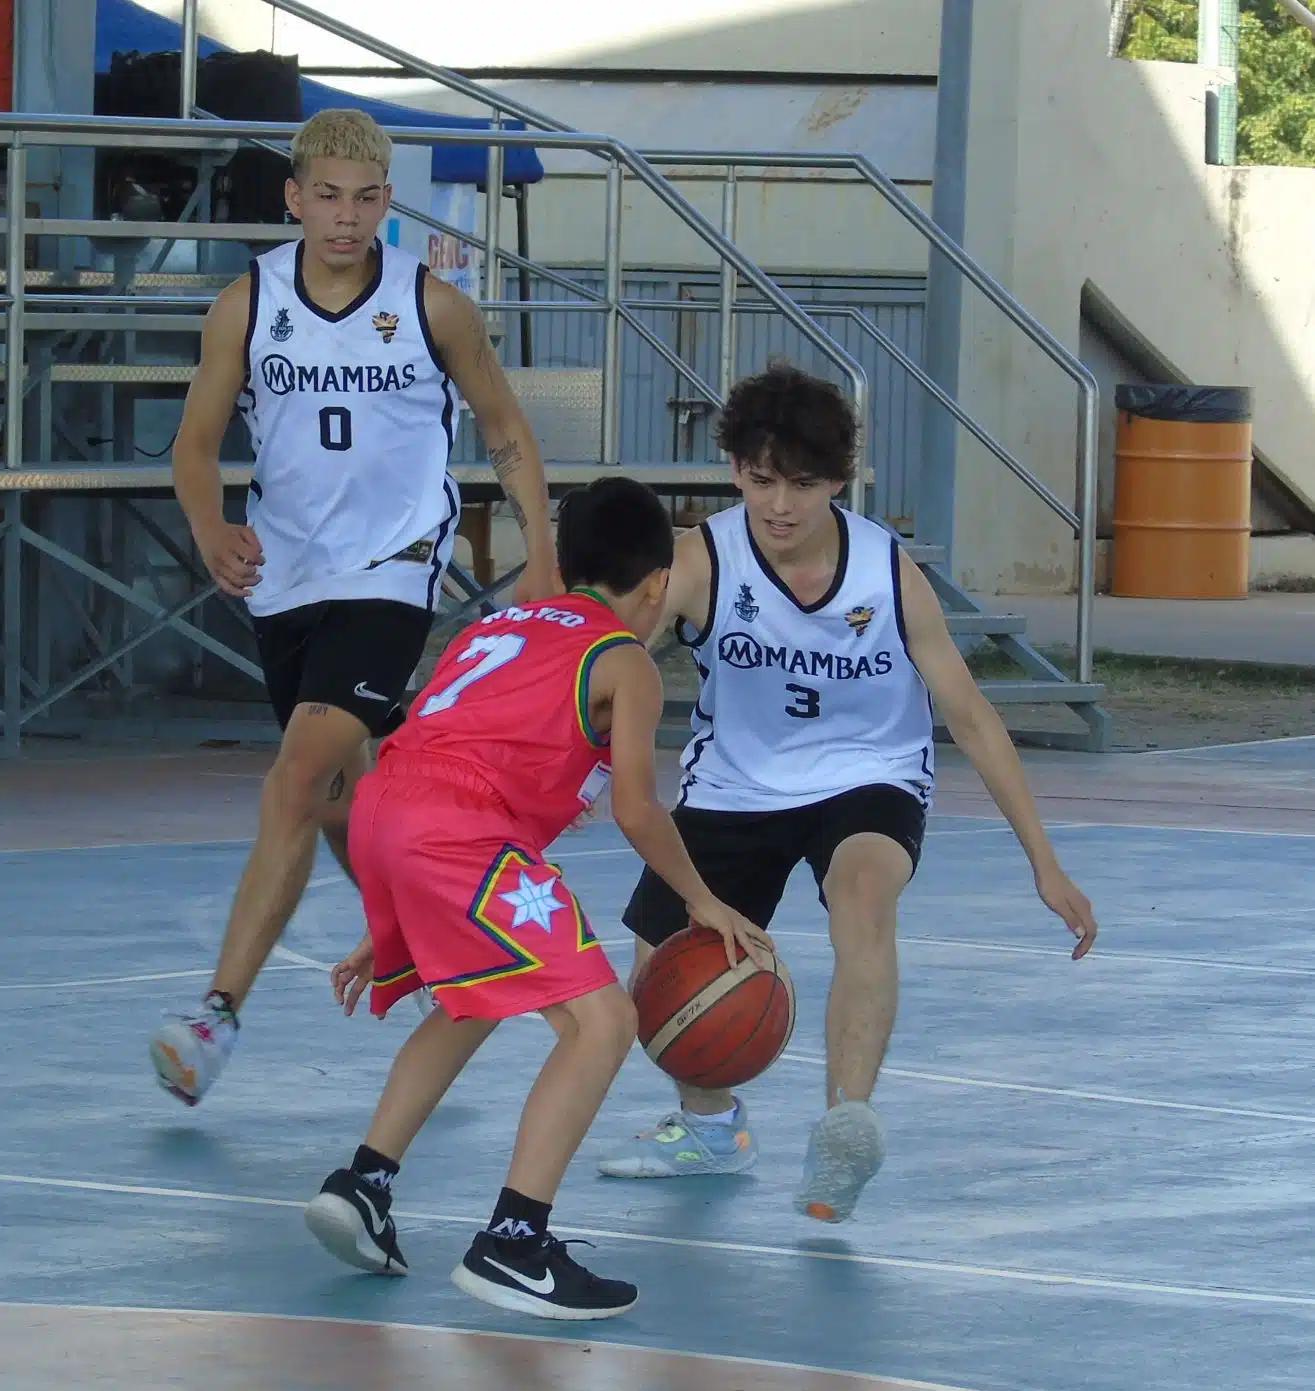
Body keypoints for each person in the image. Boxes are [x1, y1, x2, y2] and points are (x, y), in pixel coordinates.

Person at [595, 363, 1098, 1224]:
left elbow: (972, 718)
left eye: (802, 483)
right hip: (734, 784)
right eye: (760, 481)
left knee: (861, 896)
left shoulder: (885, 573)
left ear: (839, 480)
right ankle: (710, 1127)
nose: (780, 505)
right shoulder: (701, 560)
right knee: (662, 981)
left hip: (868, 774)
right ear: (734, 471)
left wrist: (1044, 864)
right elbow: (601, 662)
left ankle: (843, 1129)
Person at [150, 109, 559, 1106]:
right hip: (284, 577)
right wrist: (209, 528)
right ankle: (433, 956)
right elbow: (194, 446)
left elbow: (505, 426)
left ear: (387, 204)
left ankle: (216, 1017)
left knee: (298, 776)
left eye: (365, 198)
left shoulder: (434, 306)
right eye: (326, 196)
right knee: (343, 799)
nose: (345, 216)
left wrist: (542, 551)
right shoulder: (247, 305)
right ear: (293, 198)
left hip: (390, 571)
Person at [303, 477, 770, 1320]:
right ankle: (514, 1240)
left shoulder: (497, 627)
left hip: (386, 808)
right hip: (454, 832)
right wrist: (701, 900)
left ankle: (363, 1183)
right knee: (604, 1021)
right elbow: (635, 806)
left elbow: (441, 751)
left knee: (469, 999)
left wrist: (409, 905)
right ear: (658, 581)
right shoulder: (624, 660)